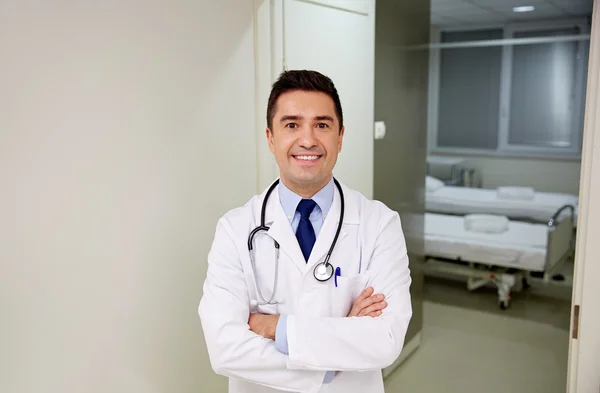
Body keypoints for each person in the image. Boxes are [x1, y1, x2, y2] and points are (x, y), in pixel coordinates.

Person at [198, 70, 412, 393]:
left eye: (322, 125)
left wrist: (275, 328)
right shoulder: (235, 229)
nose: (308, 140)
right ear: (271, 138)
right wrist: (332, 357)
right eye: (292, 124)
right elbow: (224, 347)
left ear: (340, 138)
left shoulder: (380, 225)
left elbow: (386, 339)